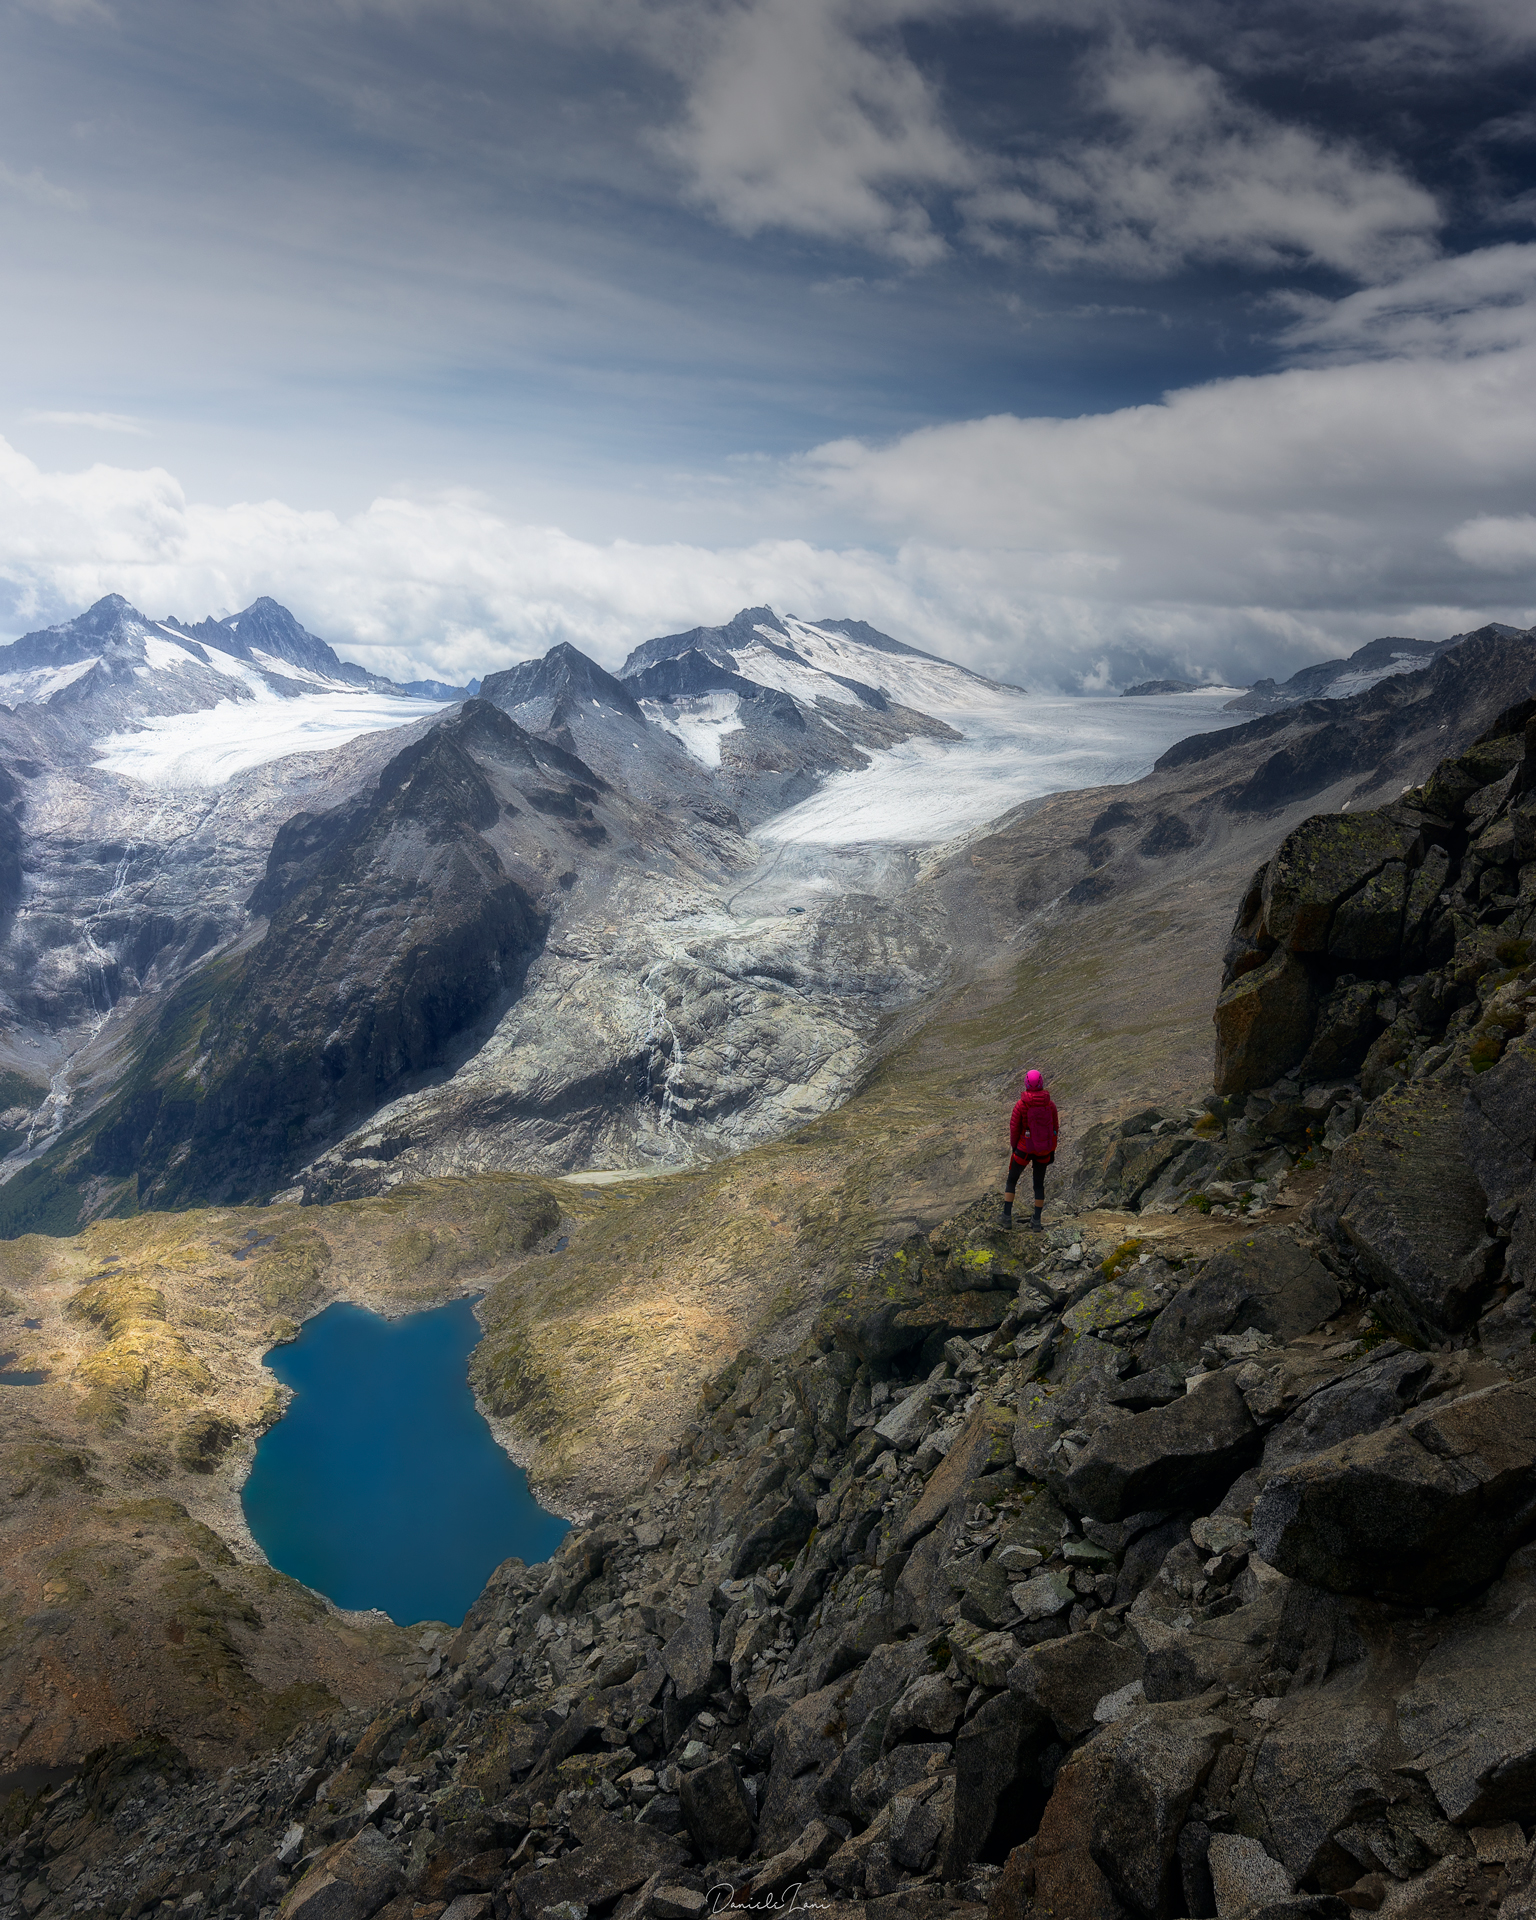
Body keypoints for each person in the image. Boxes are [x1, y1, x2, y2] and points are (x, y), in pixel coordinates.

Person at [1003, 1068, 1059, 1231]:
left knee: (1012, 1180)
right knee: (1039, 1185)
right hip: (1043, 1151)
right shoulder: (1050, 1105)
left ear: (1026, 1083)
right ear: (1041, 1082)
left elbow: (1014, 1129)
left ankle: (1006, 1217)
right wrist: (1051, 1151)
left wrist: (1015, 1147)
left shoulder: (1021, 1105)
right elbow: (1055, 1128)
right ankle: (1036, 1221)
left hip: (1024, 1149)